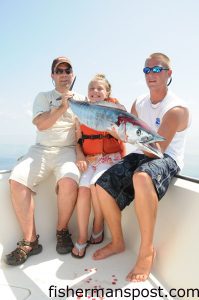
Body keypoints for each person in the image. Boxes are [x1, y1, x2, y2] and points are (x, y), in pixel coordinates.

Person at [93, 53, 190, 282]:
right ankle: (117, 242)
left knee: (142, 177)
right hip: (141, 153)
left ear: (169, 73)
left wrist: (126, 134)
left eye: (157, 69)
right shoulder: (139, 102)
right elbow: (130, 137)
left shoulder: (177, 109)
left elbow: (157, 149)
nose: (151, 74)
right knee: (101, 186)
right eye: (147, 70)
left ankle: (146, 251)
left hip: (166, 156)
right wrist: (114, 129)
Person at [5, 56, 86, 266]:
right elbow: (41, 125)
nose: (64, 74)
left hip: (67, 150)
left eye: (68, 70)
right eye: (59, 71)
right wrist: (62, 107)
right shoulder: (43, 97)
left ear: (73, 75)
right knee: (17, 180)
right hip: (40, 150)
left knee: (69, 180)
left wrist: (81, 153)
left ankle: (62, 231)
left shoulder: (83, 98)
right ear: (53, 76)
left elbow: (83, 132)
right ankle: (30, 241)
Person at [71, 74, 126, 258]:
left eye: (100, 88)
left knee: (96, 183)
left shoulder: (117, 109)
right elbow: (78, 141)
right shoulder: (80, 111)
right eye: (91, 89)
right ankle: (82, 236)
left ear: (107, 93)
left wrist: (112, 129)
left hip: (111, 158)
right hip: (91, 159)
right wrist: (80, 156)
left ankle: (98, 224)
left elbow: (125, 136)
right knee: (83, 188)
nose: (95, 91)